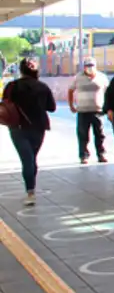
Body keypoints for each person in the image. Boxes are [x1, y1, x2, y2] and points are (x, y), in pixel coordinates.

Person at [4, 59, 56, 206]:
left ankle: (30, 191)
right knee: (32, 158)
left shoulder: (12, 86)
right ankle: (31, 188)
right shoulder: (42, 87)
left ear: (20, 70)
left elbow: (5, 104)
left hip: (18, 127)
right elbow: (51, 107)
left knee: (27, 159)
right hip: (38, 128)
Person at [68, 57, 109, 165]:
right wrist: (71, 105)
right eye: (88, 66)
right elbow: (71, 90)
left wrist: (108, 107)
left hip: (98, 111)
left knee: (100, 134)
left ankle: (101, 154)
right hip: (83, 111)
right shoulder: (78, 77)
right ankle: (83, 155)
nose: (90, 68)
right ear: (84, 67)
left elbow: (108, 92)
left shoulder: (102, 77)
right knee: (83, 135)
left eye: (92, 66)